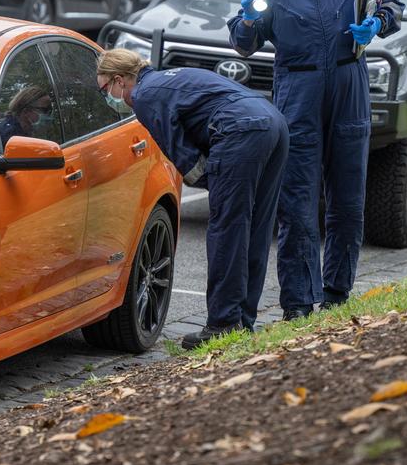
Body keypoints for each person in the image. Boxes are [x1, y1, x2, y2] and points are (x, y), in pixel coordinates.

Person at [227, 0, 403, 320]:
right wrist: (247, 17)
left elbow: (391, 3)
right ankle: (298, 304)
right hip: (298, 94)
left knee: (347, 200)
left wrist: (376, 23)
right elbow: (244, 43)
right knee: (298, 205)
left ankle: (338, 293)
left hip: (348, 87)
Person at [96, 48, 289, 349]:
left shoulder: (145, 96)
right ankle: (243, 319)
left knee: (227, 228)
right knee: (257, 226)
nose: (107, 97)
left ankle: (223, 324)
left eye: (105, 89)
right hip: (273, 121)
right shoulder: (168, 79)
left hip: (241, 131)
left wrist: (218, 182)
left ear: (120, 81)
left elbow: (183, 156)